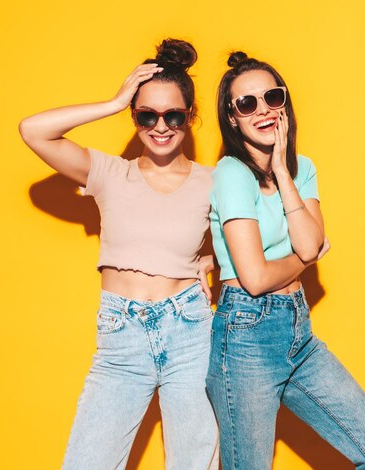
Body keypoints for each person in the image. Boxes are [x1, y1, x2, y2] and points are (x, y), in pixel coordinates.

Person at [19, 39, 218, 470]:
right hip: (121, 335)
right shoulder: (110, 172)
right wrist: (113, 102)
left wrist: (215, 259)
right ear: (134, 116)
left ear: (190, 116)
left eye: (173, 115)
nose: (160, 125)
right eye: (146, 114)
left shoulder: (215, 181)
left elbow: (254, 232)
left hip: (190, 333)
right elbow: (33, 130)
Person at [206, 51, 365, 469]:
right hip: (246, 337)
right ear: (233, 117)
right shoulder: (230, 173)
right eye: (247, 104)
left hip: (298, 331)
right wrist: (305, 259)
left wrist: (281, 169)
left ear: (285, 103)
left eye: (271, 97)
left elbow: (309, 242)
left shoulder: (301, 168)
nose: (262, 110)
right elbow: (258, 278)